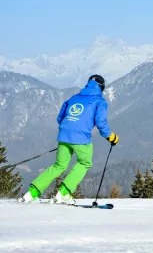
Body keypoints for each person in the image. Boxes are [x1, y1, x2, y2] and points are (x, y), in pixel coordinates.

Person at [19, 75, 119, 204]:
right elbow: (101, 123)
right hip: (81, 138)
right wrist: (111, 137)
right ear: (101, 87)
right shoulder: (99, 101)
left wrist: (68, 133)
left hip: (64, 135)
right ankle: (64, 193)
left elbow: (60, 117)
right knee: (84, 163)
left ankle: (32, 193)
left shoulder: (74, 98)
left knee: (59, 165)